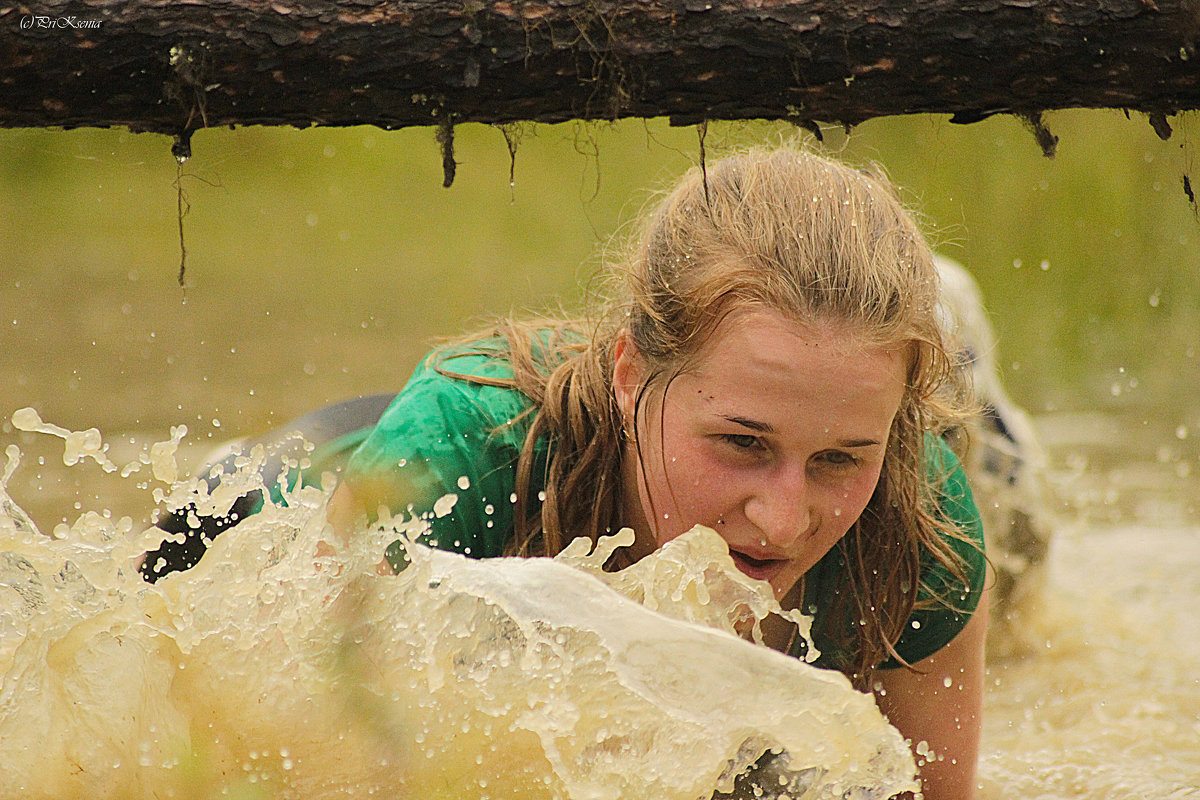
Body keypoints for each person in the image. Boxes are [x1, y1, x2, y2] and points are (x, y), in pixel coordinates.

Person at [144, 144, 990, 800]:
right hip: (297, 490)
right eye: (741, 443)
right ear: (629, 374)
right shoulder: (457, 454)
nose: (781, 517)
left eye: (840, 457)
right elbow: (305, 756)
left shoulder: (925, 527)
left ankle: (966, 372)